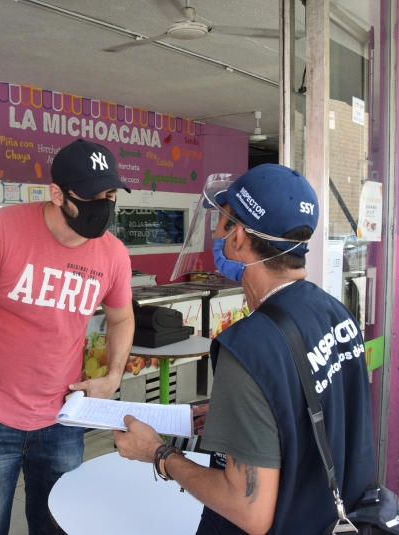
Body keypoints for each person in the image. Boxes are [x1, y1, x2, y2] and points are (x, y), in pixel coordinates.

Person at [113, 165, 376, 535]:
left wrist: (159, 453)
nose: (217, 234)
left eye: (222, 223)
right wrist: (238, 416)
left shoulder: (250, 346)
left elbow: (249, 511)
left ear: (238, 237)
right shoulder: (336, 312)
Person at [0, 139, 136, 535]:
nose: (102, 205)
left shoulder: (113, 254)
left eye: (110, 195)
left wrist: (113, 377)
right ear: (56, 193)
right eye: (91, 196)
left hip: (62, 420)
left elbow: (122, 319)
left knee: (57, 525)